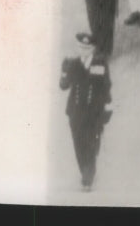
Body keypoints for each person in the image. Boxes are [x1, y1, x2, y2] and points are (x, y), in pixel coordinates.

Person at [60, 32, 113, 191]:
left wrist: (107, 109)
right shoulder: (73, 64)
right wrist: (63, 72)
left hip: (93, 112)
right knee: (78, 144)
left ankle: (88, 177)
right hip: (75, 112)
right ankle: (84, 170)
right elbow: (63, 86)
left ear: (93, 49)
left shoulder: (100, 64)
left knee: (90, 143)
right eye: (80, 47)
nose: (82, 51)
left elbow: (106, 87)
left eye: (86, 48)